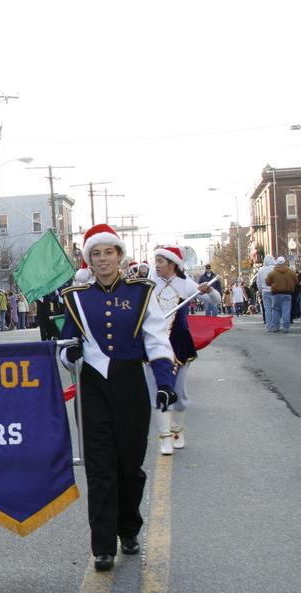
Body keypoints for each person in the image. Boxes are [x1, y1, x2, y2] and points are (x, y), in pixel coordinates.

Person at [59, 224, 176, 572]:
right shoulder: (76, 297)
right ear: (88, 260)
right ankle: (103, 545)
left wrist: (165, 380)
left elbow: (156, 340)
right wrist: (71, 353)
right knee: (99, 469)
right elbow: (64, 350)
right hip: (93, 387)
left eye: (108, 252)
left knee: (130, 467)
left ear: (120, 256)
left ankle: (129, 527)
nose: (103, 259)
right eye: (96, 254)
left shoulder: (142, 293)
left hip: (129, 385)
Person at [148, 246, 219, 455]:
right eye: (156, 261)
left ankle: (177, 431)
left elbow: (213, 301)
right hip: (153, 342)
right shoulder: (149, 286)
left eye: (161, 261)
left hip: (178, 342)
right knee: (156, 391)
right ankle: (165, 437)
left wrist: (209, 290)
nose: (157, 265)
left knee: (178, 392)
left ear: (172, 264)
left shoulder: (186, 284)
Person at [265, 256, 297, 333]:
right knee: (286, 310)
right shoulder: (290, 272)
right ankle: (286, 327)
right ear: (284, 262)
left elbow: (267, 282)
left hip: (276, 293)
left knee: (276, 310)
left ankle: (276, 326)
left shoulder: (273, 273)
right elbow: (295, 280)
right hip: (287, 293)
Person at [255, 255, 276, 326]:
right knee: (274, 308)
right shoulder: (275, 269)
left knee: (267, 308)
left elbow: (258, 282)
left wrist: (260, 290)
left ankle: (269, 323)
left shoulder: (261, 270)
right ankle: (275, 323)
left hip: (265, 291)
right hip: (274, 290)